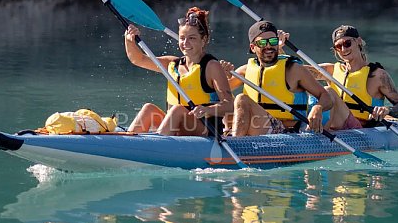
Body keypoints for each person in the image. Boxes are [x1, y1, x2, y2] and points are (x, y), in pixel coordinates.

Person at [220, 20, 349, 136]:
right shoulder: (245, 70)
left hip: (287, 131)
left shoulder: (293, 69)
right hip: (258, 125)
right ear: (253, 47)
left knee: (242, 99)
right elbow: (219, 93)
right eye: (263, 42)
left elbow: (326, 96)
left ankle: (236, 144)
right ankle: (232, 136)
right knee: (236, 99)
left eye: (273, 41)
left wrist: (318, 108)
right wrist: (221, 75)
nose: (269, 46)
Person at [124, 7, 234, 136]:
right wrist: (129, 39)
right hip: (177, 126)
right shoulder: (172, 64)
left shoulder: (212, 66)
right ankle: (126, 143)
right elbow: (138, 59)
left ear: (203, 40)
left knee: (178, 110)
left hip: (204, 129)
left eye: (192, 38)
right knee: (148, 109)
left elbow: (229, 105)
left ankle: (158, 146)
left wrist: (207, 110)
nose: (185, 43)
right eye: (182, 38)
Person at [308, 25, 398, 129]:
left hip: (359, 128)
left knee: (328, 91)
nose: (343, 49)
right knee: (310, 89)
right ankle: (312, 129)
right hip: (334, 125)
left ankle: (315, 135)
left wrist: (387, 110)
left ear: (359, 41)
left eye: (347, 43)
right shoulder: (331, 70)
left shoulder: (377, 75)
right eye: (338, 47)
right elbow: (298, 71)